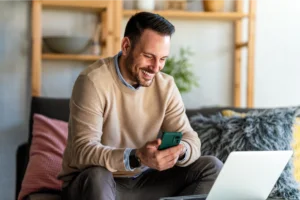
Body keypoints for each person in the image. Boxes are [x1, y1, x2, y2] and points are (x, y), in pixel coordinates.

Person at [58, 12, 223, 200]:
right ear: (126, 46)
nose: (155, 68)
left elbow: (190, 138)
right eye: (148, 56)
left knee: (212, 167)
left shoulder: (165, 86)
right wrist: (136, 157)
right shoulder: (92, 81)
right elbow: (83, 151)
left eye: (162, 59)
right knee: (97, 175)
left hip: (143, 182)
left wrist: (181, 151)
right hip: (99, 183)